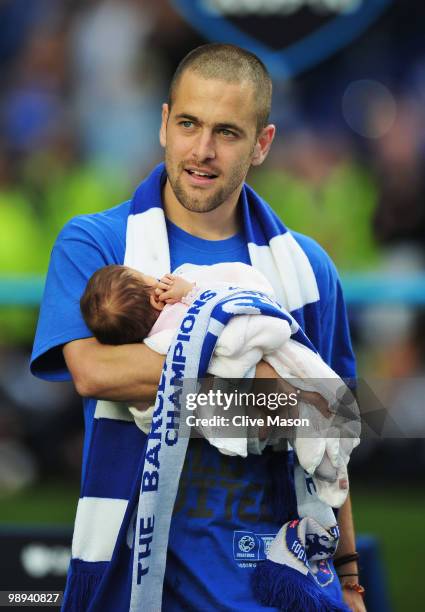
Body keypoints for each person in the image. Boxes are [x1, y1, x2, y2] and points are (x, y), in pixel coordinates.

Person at [31, 44, 365, 611]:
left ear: (262, 144)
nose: (202, 150)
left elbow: (335, 425)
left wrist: (352, 580)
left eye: (227, 132)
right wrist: (262, 390)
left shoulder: (310, 269)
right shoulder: (97, 243)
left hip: (286, 587)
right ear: (164, 124)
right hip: (137, 588)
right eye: (189, 124)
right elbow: (92, 372)